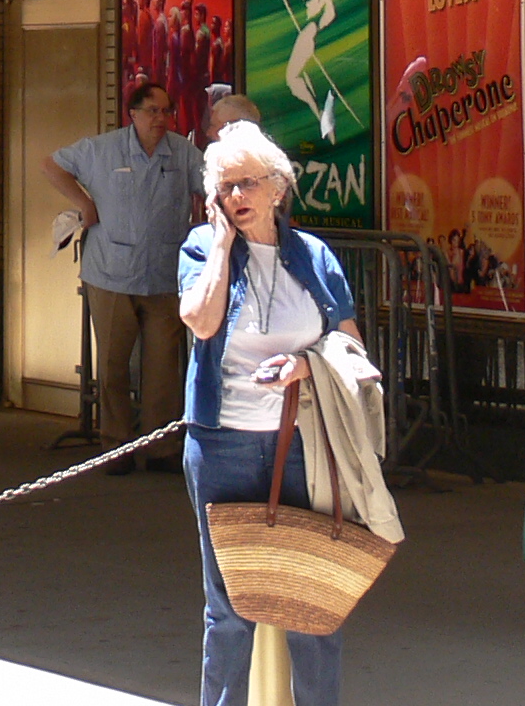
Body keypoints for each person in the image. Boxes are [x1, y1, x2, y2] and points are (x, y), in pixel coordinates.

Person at [176, 117, 365, 706]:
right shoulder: (203, 248)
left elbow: (353, 348)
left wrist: (308, 365)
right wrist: (223, 249)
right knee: (229, 611)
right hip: (223, 445)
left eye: (249, 184)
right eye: (226, 188)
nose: (238, 198)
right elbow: (201, 321)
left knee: (313, 604)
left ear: (278, 188)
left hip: (302, 443)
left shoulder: (313, 256)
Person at [45, 79, 207, 470]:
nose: (161, 119)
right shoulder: (102, 149)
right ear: (132, 114)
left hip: (164, 274)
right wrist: (83, 203)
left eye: (166, 111)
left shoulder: (183, 153)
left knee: (163, 367)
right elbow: (52, 164)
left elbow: (209, 189)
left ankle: (161, 447)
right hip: (112, 273)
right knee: (114, 365)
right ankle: (115, 444)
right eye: (152, 111)